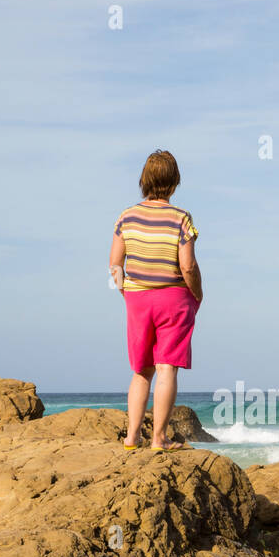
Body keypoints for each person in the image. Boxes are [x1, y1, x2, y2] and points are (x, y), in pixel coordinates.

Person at [109, 149, 204, 451]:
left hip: (138, 300)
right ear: (174, 183)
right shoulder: (181, 218)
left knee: (141, 371)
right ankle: (159, 438)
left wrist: (127, 292)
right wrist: (197, 293)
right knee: (166, 368)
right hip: (173, 298)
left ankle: (131, 436)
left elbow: (114, 265)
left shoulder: (126, 217)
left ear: (144, 181)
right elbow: (187, 265)